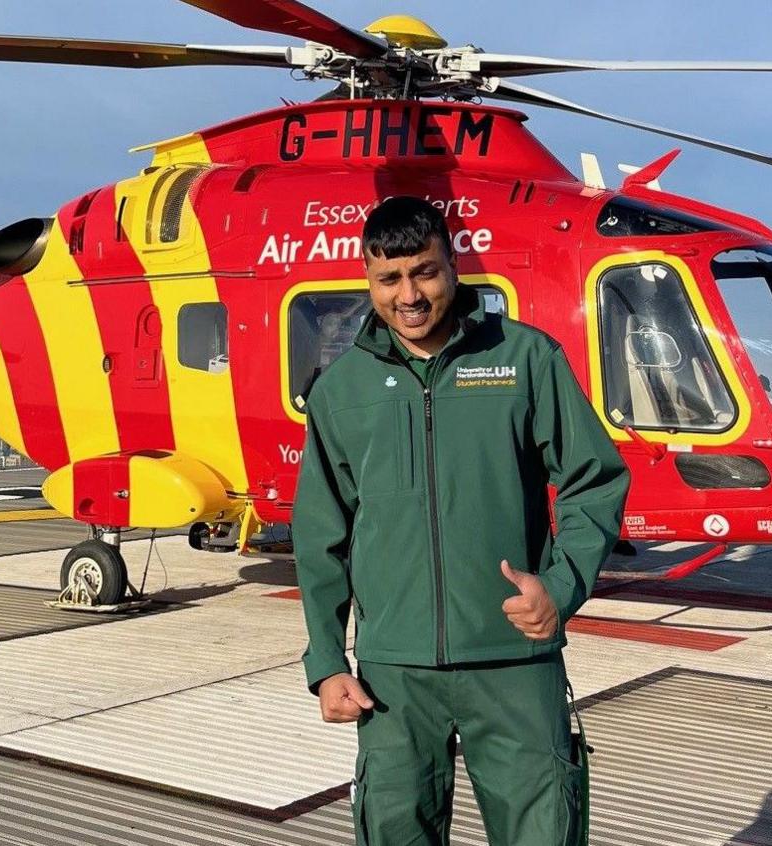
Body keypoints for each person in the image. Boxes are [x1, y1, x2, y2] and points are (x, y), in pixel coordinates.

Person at [294, 196, 631, 845]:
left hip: (514, 663)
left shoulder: (526, 360)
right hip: (394, 678)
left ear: (454, 264)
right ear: (367, 279)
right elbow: (320, 537)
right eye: (388, 279)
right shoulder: (342, 391)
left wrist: (559, 591)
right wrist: (329, 660)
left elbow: (596, 478)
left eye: (424, 271)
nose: (408, 295)